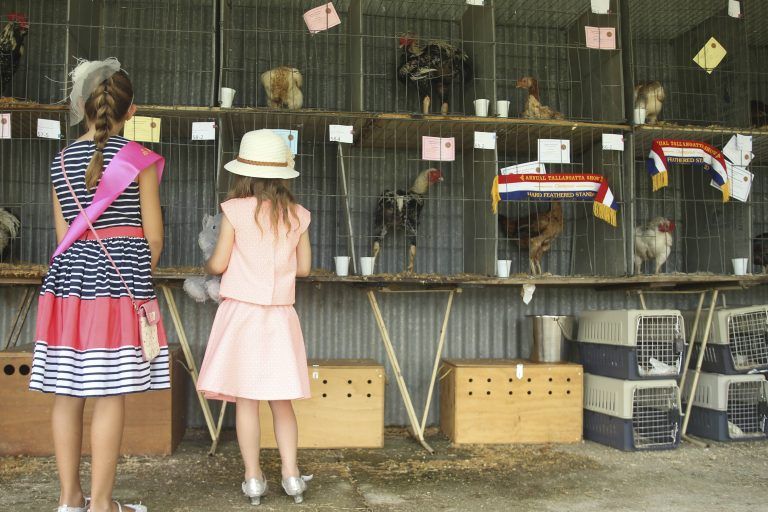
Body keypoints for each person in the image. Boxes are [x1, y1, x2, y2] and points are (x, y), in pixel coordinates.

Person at [29, 58, 167, 512]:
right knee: (109, 394)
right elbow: (154, 237)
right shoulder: (139, 160)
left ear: (83, 106)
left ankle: (69, 501)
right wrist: (136, 275)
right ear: (132, 111)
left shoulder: (60, 161)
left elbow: (61, 235)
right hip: (120, 279)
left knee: (68, 391)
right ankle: (102, 505)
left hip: (69, 284)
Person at [197, 129, 313, 505]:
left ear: (243, 172)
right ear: (284, 174)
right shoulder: (298, 216)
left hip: (242, 316)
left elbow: (218, 262)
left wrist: (209, 262)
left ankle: (253, 479)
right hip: (280, 317)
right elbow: (305, 269)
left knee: (246, 401)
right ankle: (292, 476)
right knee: (282, 401)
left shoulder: (235, 210)